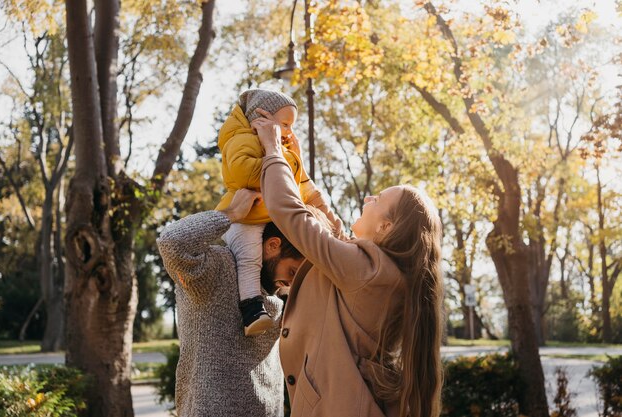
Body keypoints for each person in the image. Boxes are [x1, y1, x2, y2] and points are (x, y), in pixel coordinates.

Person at [252, 108, 445, 417]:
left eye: (378, 200)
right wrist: (297, 171)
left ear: (386, 227)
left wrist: (273, 149)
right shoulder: (375, 270)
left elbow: (290, 214)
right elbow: (330, 228)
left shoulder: (366, 271)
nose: (368, 199)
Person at [156, 189, 303, 417]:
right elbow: (171, 243)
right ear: (272, 246)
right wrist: (231, 213)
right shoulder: (218, 269)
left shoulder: (281, 294)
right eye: (292, 270)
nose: (292, 282)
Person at [215, 88, 314, 336]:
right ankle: (251, 309)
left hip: (262, 218)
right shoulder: (242, 139)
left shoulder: (277, 149)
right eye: (284, 124)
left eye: (292, 126)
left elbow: (294, 186)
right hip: (244, 220)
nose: (289, 131)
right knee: (250, 258)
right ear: (260, 118)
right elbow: (242, 173)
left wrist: (289, 157)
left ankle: (285, 302)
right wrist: (278, 158)